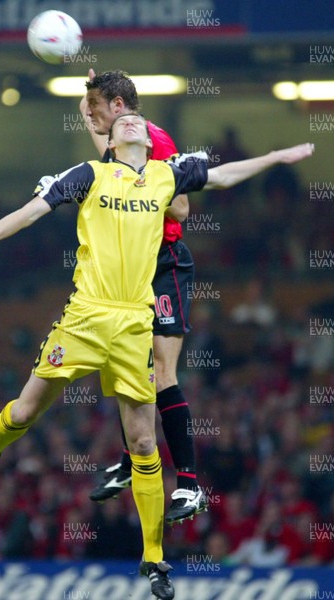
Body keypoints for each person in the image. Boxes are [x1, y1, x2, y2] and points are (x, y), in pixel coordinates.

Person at [0, 113, 314, 598]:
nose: (133, 122)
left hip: (134, 325)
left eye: (137, 118)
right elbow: (31, 211)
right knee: (26, 411)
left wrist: (277, 157)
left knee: (142, 443)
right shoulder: (89, 174)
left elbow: (223, 176)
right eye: (124, 122)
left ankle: (155, 561)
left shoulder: (166, 174)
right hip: (84, 319)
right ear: (111, 141)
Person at [80, 69, 207, 524]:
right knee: (128, 366)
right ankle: (135, 461)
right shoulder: (121, 139)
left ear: (117, 108)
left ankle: (190, 486)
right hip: (129, 268)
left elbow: (181, 207)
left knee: (162, 372)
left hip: (162, 264)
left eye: (95, 107)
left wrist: (148, 189)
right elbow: (117, 172)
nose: (90, 114)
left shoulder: (155, 138)